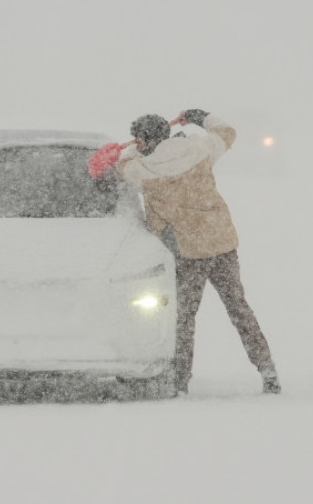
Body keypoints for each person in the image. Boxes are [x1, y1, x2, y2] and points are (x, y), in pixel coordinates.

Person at [102, 109, 280, 395]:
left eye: (140, 138)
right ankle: (268, 370)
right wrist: (202, 117)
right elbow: (227, 133)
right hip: (222, 244)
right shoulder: (200, 149)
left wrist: (131, 148)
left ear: (148, 140)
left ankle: (180, 382)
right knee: (239, 310)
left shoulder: (143, 170)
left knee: (183, 319)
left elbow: (121, 166)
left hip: (189, 252)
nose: (137, 143)